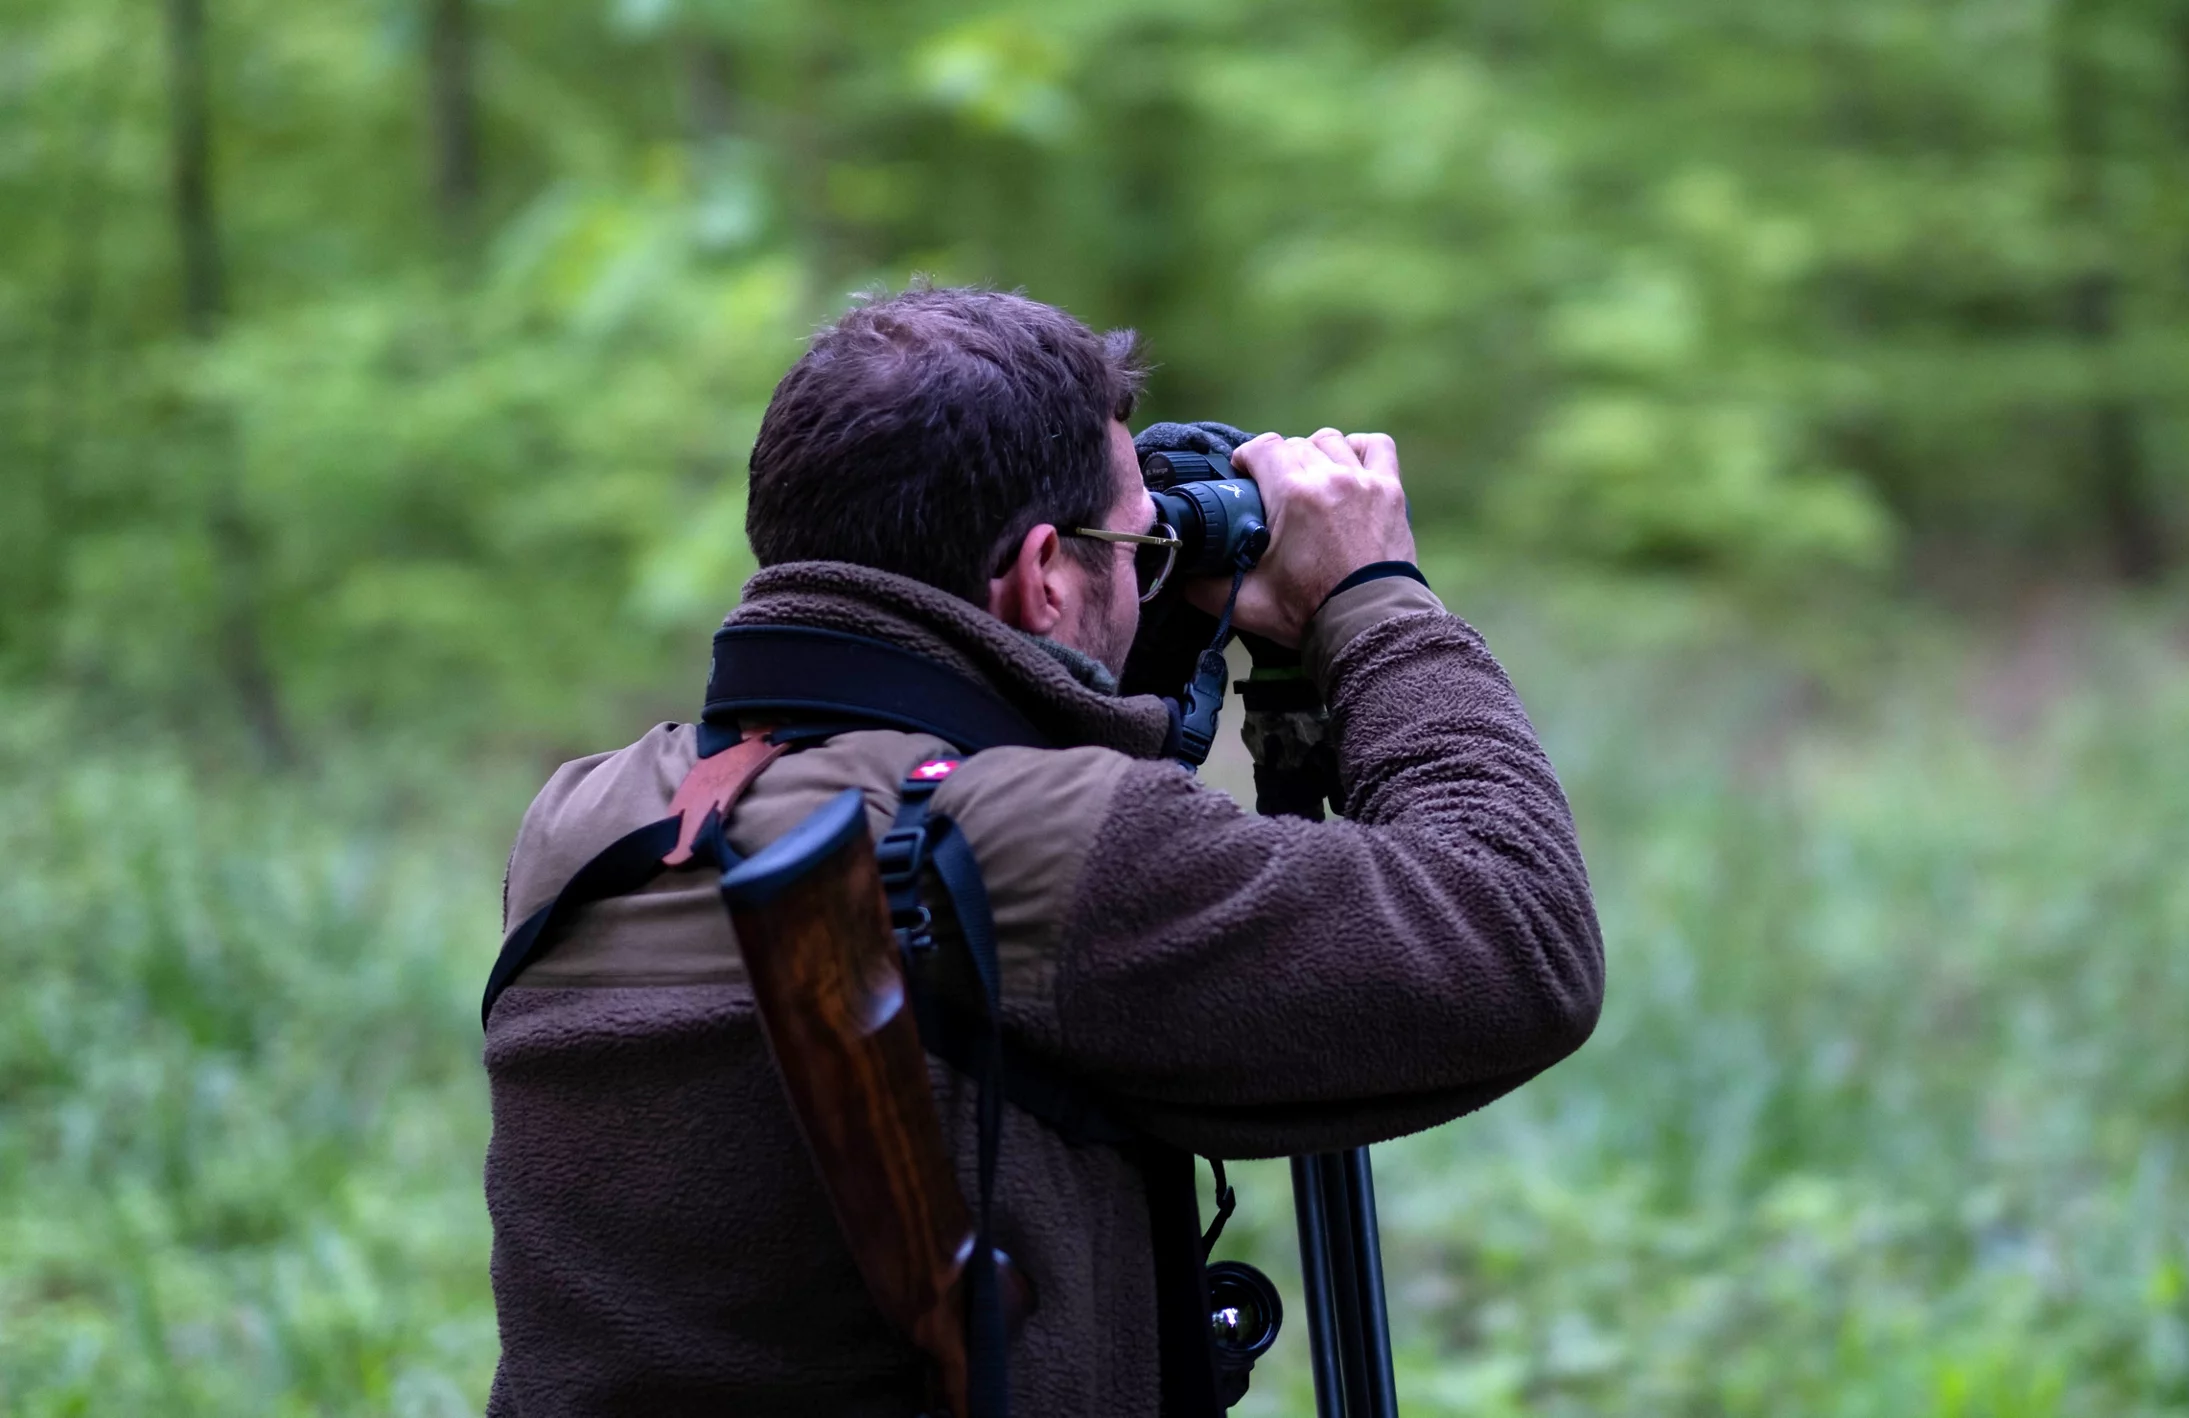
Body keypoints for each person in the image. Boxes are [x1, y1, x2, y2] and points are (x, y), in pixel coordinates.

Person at [481, 284, 1603, 1416]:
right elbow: (1515, 938)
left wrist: (1141, 608)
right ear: (1042, 574)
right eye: (1129, 543)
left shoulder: (588, 821)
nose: (1143, 561)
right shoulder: (1043, 851)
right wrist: (1375, 598)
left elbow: (999, 896)